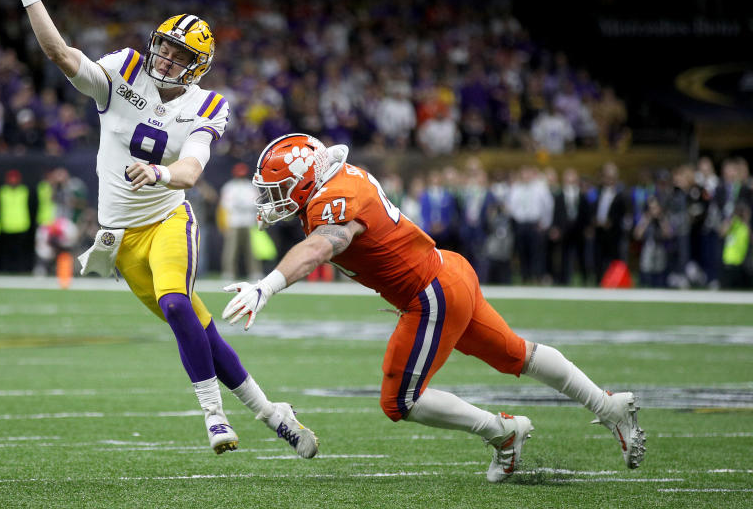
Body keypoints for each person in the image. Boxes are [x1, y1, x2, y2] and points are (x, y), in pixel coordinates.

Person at [1, 0, 317, 458]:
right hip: (119, 238)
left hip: (167, 220)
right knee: (200, 332)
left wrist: (159, 172)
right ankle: (273, 414)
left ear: (198, 66)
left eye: (180, 54)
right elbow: (61, 54)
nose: (166, 58)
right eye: (164, 46)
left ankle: (215, 419)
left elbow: (191, 170)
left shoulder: (208, 104)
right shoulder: (124, 68)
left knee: (176, 303)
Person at [222, 133, 645, 482]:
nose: (271, 199)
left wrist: (267, 287)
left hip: (430, 294)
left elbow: (323, 245)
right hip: (447, 272)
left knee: (399, 401)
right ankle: (608, 406)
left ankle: (503, 434)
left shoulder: (333, 198)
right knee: (517, 354)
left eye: (275, 189)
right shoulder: (338, 179)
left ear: (303, 178)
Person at [219, 162, 262, 281]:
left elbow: (255, 203)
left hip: (249, 221)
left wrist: (241, 204)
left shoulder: (251, 186)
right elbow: (226, 205)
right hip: (234, 222)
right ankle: (228, 272)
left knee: (252, 250)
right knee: (231, 250)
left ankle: (255, 272)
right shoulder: (229, 187)